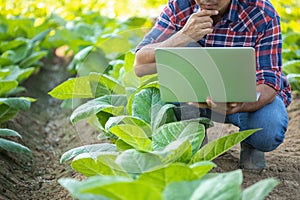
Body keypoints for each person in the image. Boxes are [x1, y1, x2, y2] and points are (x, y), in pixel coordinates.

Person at [134, 0, 292, 170]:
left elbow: (269, 82)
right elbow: (140, 66)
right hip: (190, 100)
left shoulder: (260, 12)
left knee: (268, 127)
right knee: (165, 107)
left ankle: (251, 143)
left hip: (244, 101)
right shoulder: (180, 7)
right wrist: (182, 36)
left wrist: (240, 104)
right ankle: (195, 138)